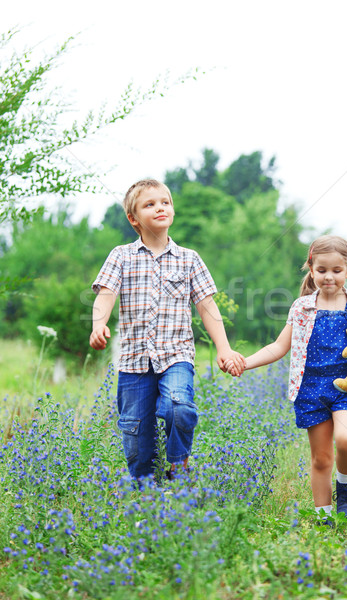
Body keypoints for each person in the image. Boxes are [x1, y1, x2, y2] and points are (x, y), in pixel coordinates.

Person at [90, 178, 245, 484]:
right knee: (136, 435)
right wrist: (99, 324)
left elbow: (207, 307)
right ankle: (146, 495)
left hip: (177, 355)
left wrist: (224, 349)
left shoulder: (190, 259)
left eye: (165, 202)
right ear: (134, 218)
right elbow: (105, 294)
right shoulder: (121, 256)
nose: (160, 207)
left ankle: (178, 465)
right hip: (133, 362)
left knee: (179, 407)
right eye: (150, 204)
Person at [224, 235, 347, 522]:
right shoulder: (301, 307)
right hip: (310, 388)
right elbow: (278, 347)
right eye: (322, 270)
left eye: (337, 271)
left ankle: (345, 484)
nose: (329, 277)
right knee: (321, 458)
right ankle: (323, 517)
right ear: (311, 269)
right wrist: (245, 363)